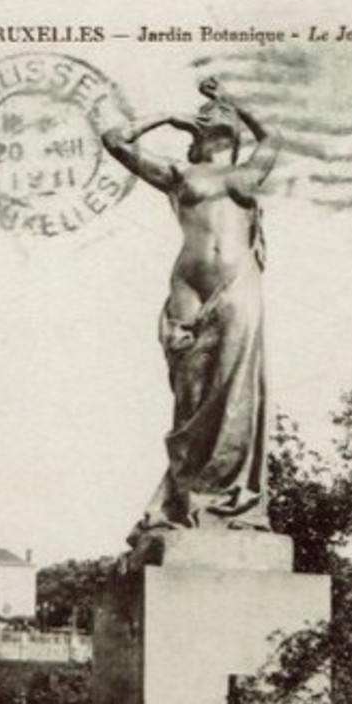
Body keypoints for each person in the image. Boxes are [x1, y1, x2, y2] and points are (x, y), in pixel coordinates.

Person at [100, 76, 281, 540]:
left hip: (239, 286)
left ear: (235, 131)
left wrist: (233, 101)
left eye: (222, 118)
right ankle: (185, 498)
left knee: (233, 392)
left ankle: (227, 499)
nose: (212, 117)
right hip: (189, 291)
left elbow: (273, 136)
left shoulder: (247, 173)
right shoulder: (179, 175)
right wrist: (166, 115)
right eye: (206, 117)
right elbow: (115, 140)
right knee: (191, 398)